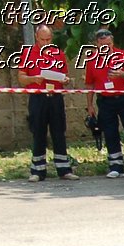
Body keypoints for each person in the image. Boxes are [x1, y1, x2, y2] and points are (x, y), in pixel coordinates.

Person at [82, 28, 124, 179]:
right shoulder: (92, 60)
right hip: (105, 100)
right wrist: (90, 105)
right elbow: (89, 84)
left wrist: (122, 74)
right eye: (103, 45)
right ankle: (115, 165)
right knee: (110, 132)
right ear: (97, 44)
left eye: (109, 44)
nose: (106, 47)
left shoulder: (123, 55)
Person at [18, 24, 76, 182]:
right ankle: (37, 171)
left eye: (48, 39)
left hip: (55, 97)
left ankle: (64, 170)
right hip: (38, 98)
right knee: (39, 133)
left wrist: (65, 80)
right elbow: (21, 78)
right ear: (37, 37)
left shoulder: (58, 54)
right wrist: (33, 79)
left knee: (59, 132)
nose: (46, 42)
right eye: (43, 39)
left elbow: (65, 75)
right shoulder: (28, 53)